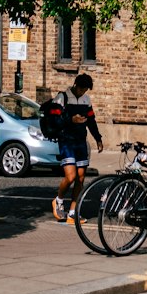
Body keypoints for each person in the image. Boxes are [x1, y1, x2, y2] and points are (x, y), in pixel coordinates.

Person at [52, 73, 103, 224]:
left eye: (86, 90)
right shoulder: (62, 98)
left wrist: (98, 139)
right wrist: (71, 119)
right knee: (71, 176)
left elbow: (91, 120)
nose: (83, 92)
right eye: (82, 89)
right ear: (76, 85)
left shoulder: (86, 100)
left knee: (80, 178)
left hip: (81, 140)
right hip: (66, 141)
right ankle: (58, 201)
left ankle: (73, 212)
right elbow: (56, 120)